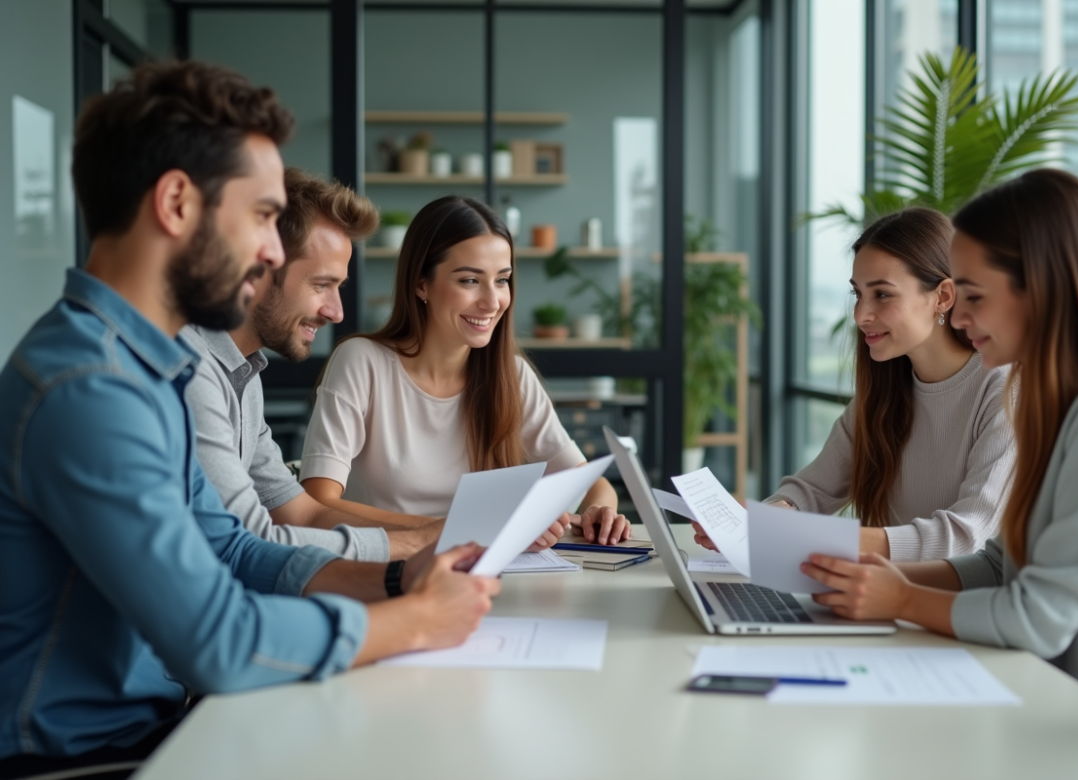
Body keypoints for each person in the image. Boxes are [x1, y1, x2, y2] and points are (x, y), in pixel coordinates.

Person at [0, 61, 498, 777]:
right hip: (86, 761)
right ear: (177, 203)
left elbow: (233, 550)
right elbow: (217, 640)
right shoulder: (90, 388)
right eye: (262, 216)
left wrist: (397, 579)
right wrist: (415, 621)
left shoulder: (148, 369)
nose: (270, 250)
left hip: (152, 731)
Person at [802, 169, 1078, 712]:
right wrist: (883, 580)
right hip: (1033, 689)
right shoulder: (1059, 401)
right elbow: (1000, 566)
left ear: (1040, 290)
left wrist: (900, 598)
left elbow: (1040, 617)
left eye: (973, 295)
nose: (959, 315)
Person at [300, 195, 633, 546]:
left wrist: (599, 512)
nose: (492, 302)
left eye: (502, 280)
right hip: (384, 568)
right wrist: (468, 529)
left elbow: (593, 485)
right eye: (470, 281)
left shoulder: (512, 376)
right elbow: (318, 503)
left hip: (487, 572)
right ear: (421, 284)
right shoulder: (361, 362)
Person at [695, 207, 1015, 561]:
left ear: (943, 297)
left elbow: (966, 536)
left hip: (966, 597)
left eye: (882, 295)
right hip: (886, 589)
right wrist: (762, 520)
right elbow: (813, 490)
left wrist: (805, 534)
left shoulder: (1006, 388)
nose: (860, 315)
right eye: (858, 294)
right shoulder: (885, 389)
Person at [183, 167, 441, 563]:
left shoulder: (245, 375)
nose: (336, 312)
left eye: (338, 287)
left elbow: (303, 513)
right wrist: (414, 547)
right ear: (257, 268)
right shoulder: (191, 367)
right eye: (321, 285)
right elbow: (250, 538)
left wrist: (444, 531)